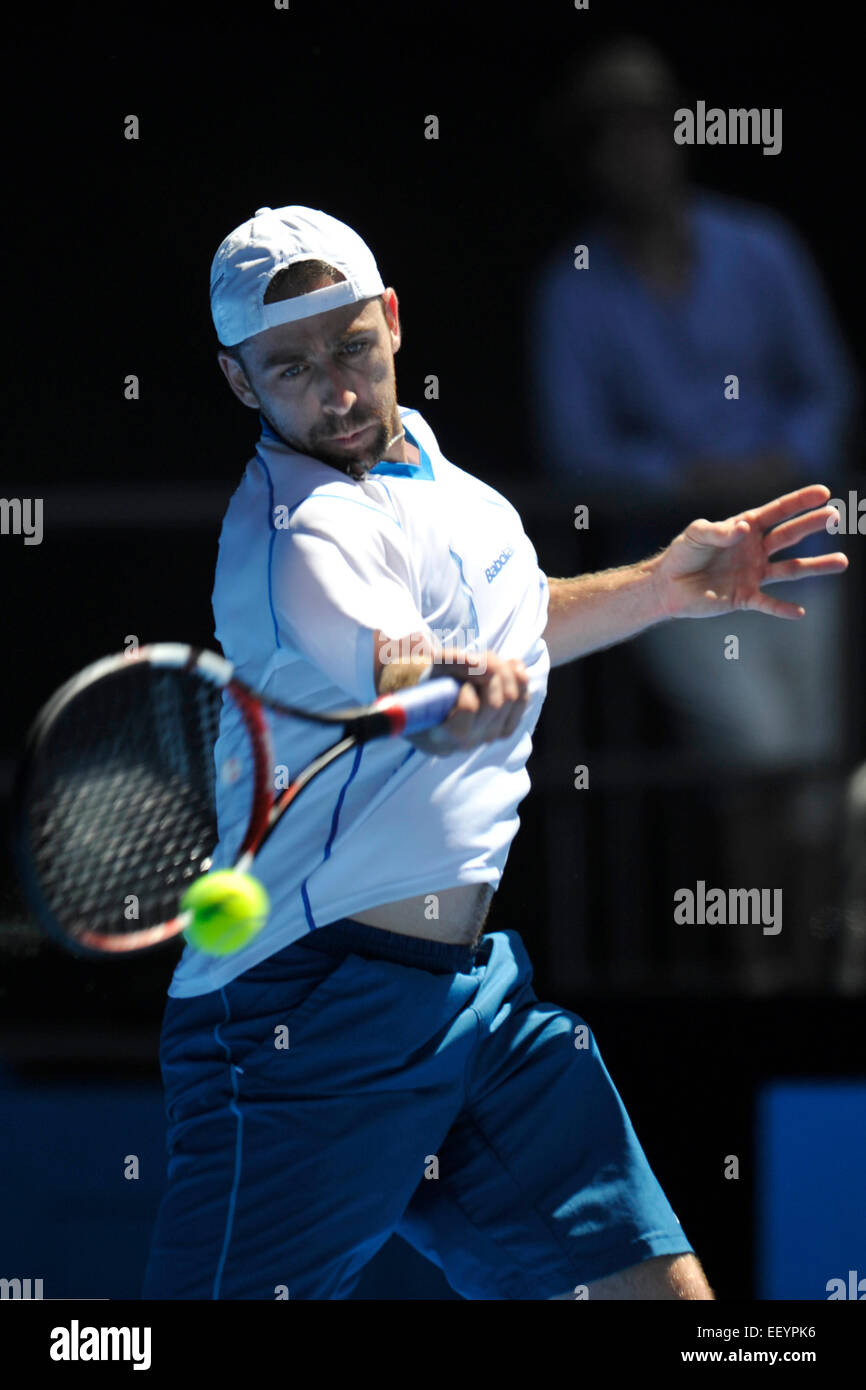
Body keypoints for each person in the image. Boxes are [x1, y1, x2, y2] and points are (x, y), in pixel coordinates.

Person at [142, 205, 844, 1301]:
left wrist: (664, 585)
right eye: (289, 368)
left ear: (392, 321)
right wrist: (441, 688)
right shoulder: (293, 536)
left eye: (351, 349)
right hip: (304, 1019)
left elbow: (521, 615)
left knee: (660, 1298)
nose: (332, 389)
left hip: (471, 998)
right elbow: (384, 649)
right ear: (239, 382)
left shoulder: (451, 489)